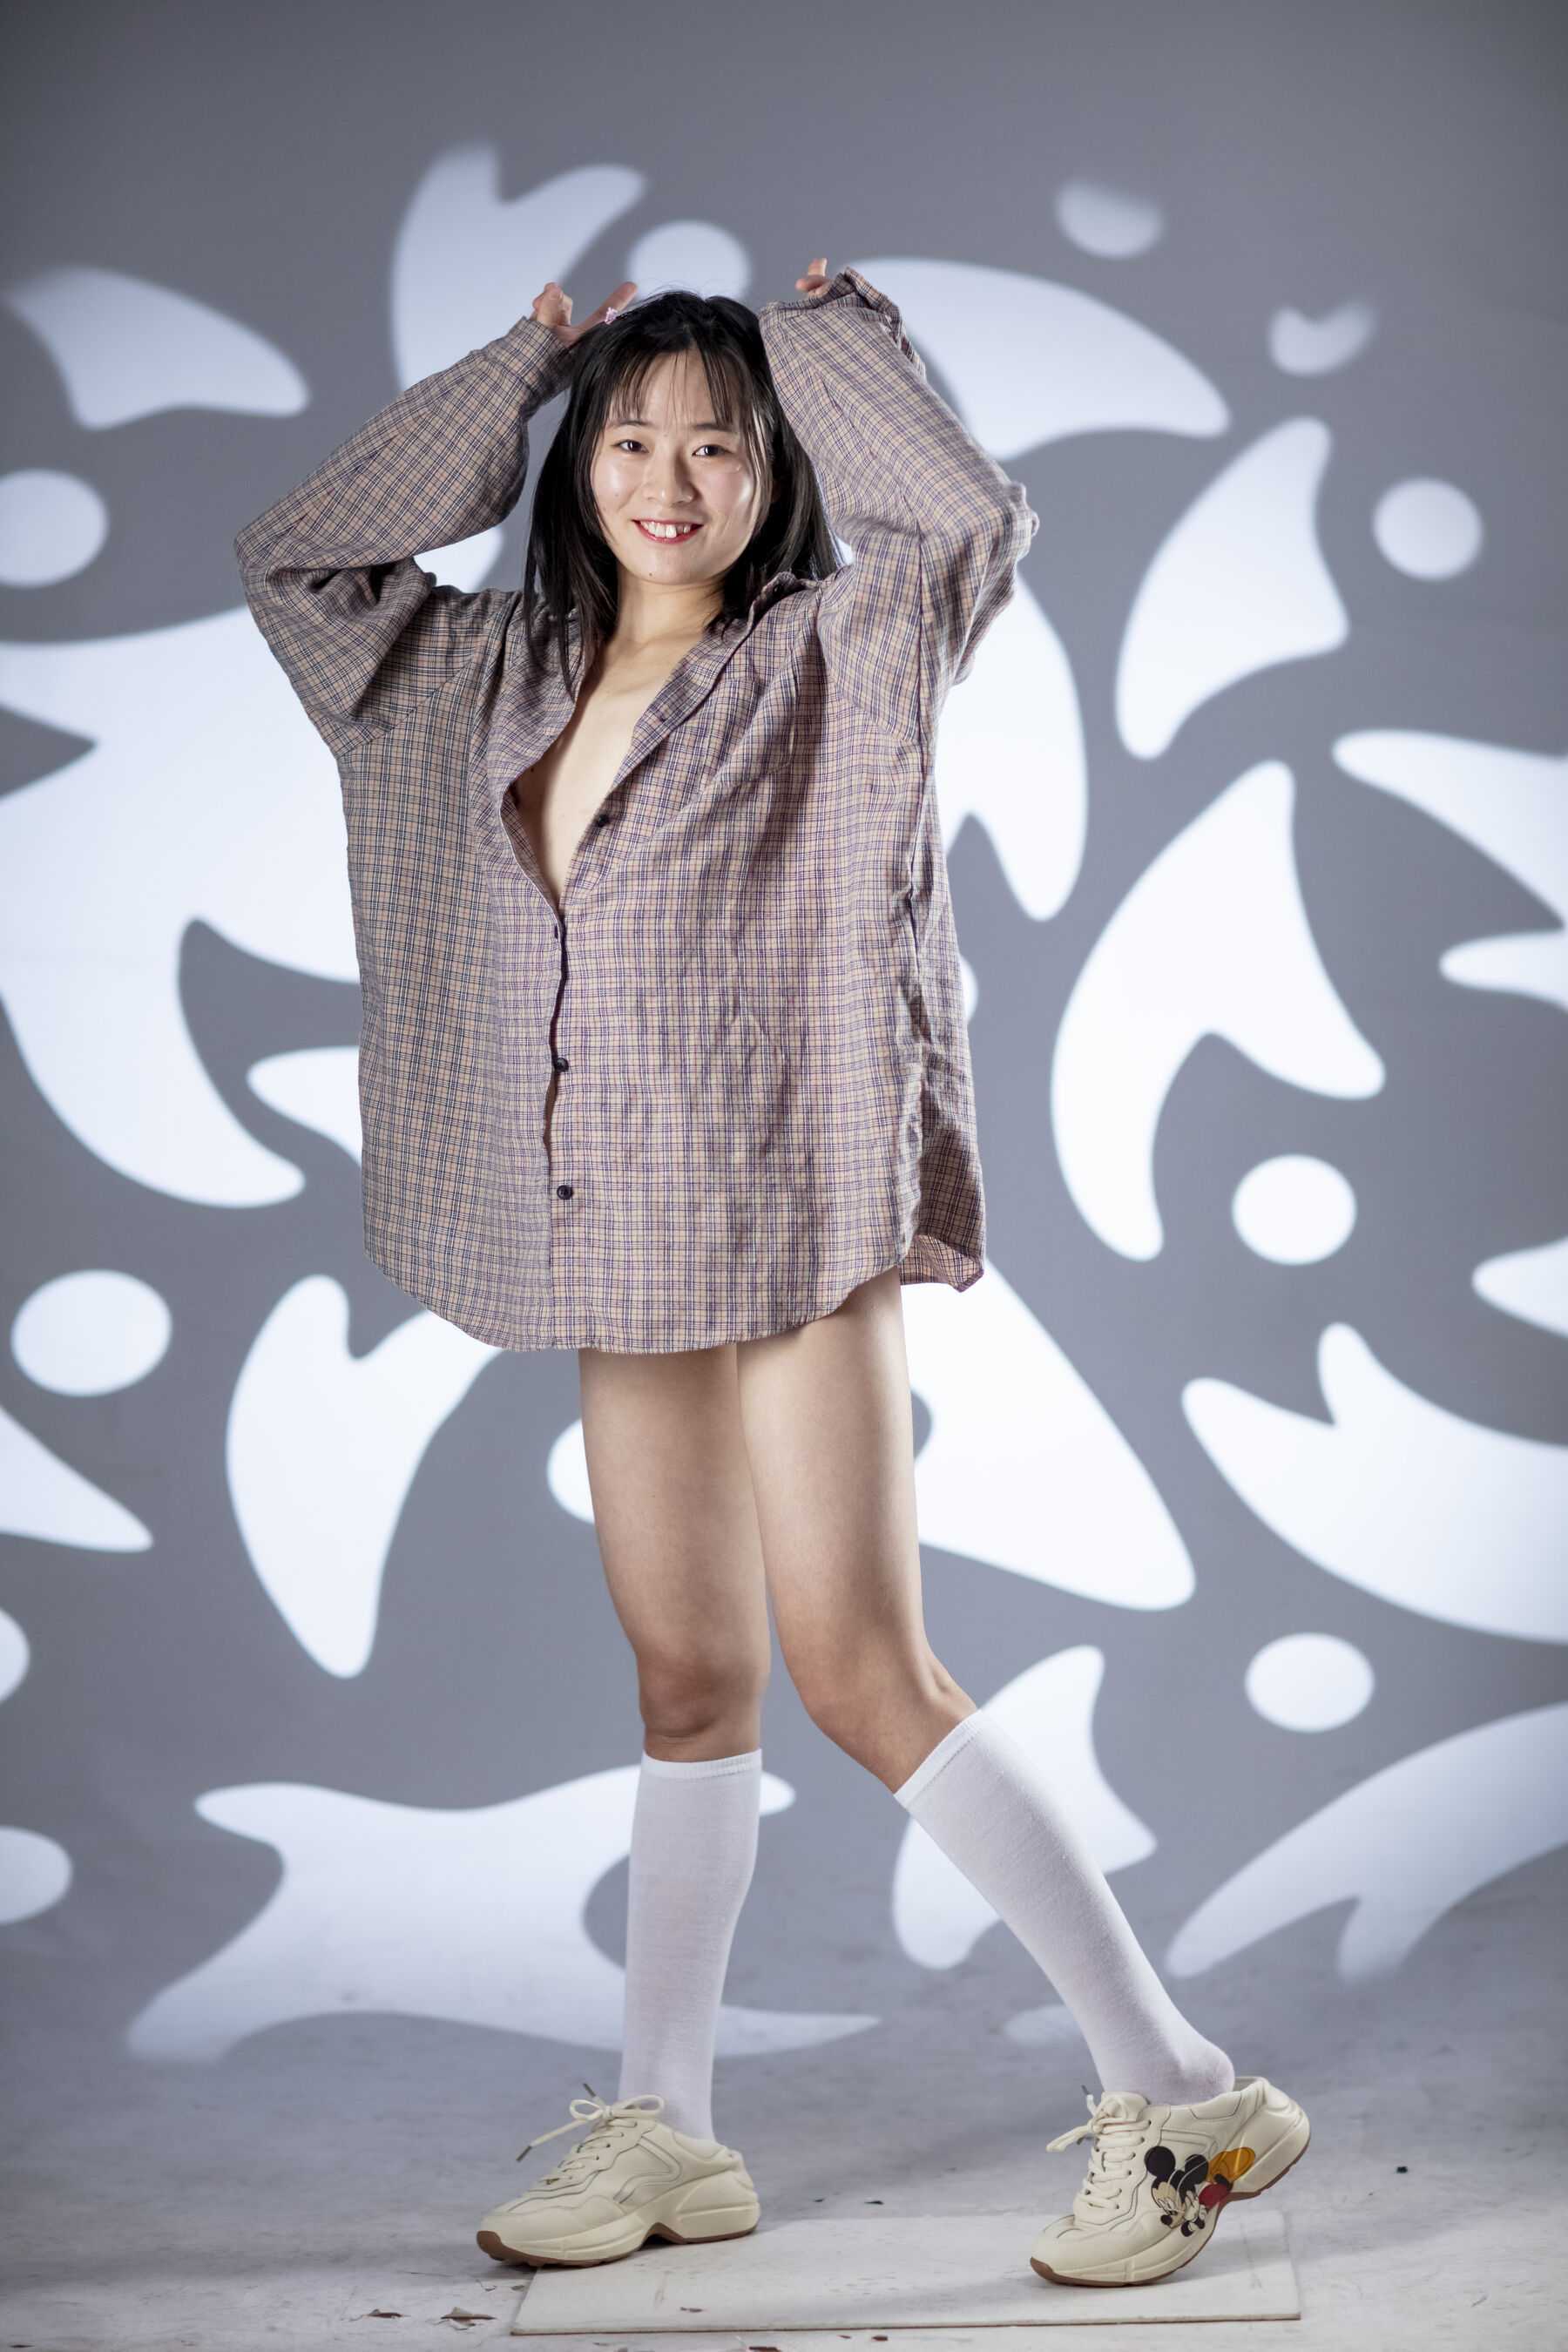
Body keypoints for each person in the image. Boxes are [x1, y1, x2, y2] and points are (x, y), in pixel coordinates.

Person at [235, 255, 1308, 2294]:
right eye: (630, 441)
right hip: (611, 1229)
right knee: (687, 1680)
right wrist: (524, 366)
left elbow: (966, 522)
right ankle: (672, 2130)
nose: (668, 481)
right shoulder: (478, 669)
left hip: (793, 1211)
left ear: (773, 469)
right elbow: (297, 557)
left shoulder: (845, 648)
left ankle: (1184, 2091)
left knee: (861, 1675)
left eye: (718, 445)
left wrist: (834, 346)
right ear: (577, 466)